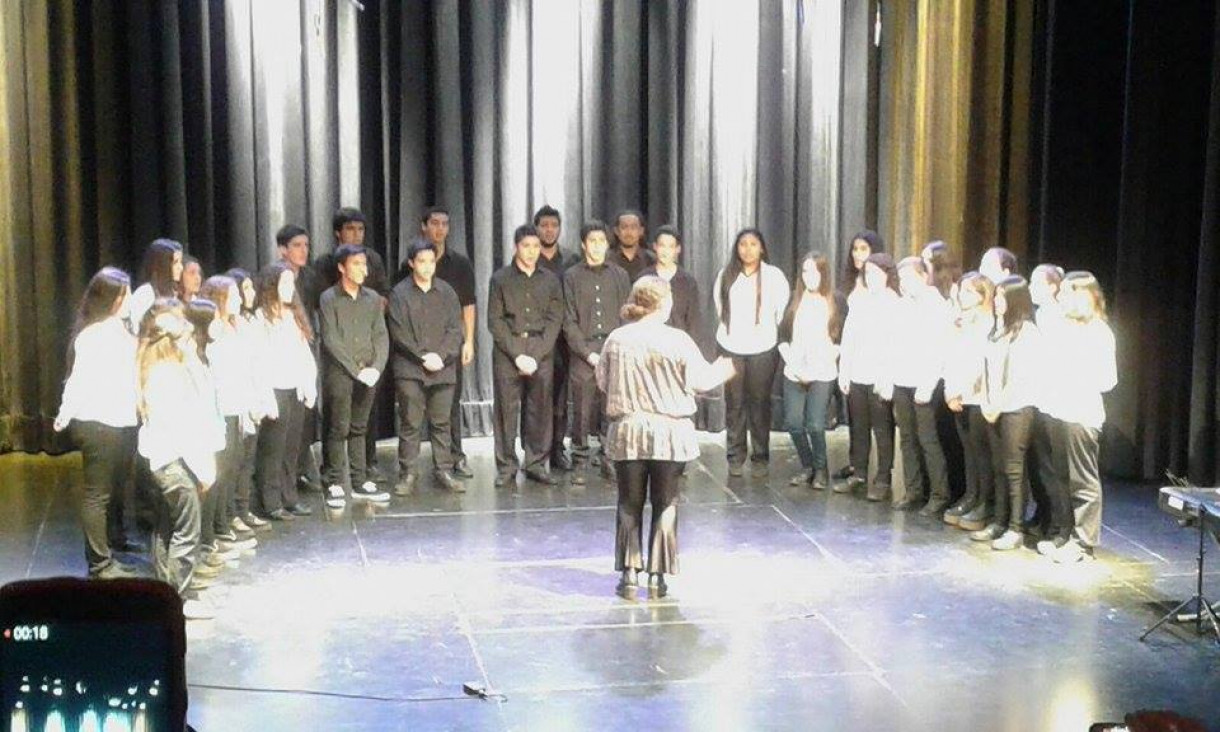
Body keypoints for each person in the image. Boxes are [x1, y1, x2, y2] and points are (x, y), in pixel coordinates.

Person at [596, 277, 736, 599]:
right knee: (665, 502)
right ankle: (657, 577)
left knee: (629, 503)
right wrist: (725, 369)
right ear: (664, 303)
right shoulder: (678, 340)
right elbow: (701, 380)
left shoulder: (616, 339)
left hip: (628, 431)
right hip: (669, 435)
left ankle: (629, 574)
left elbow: (602, 381)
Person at [135, 298, 226, 619]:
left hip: (160, 460)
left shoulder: (152, 369)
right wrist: (204, 472)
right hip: (176, 462)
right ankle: (179, 598)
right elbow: (185, 429)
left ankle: (165, 590)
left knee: (165, 528)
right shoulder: (170, 375)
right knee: (187, 532)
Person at [53, 267, 141, 579]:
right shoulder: (93, 336)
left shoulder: (120, 331)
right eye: (125, 294)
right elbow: (78, 381)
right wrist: (64, 416)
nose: (129, 299)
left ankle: (113, 543)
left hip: (119, 421)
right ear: (112, 299)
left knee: (115, 489)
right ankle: (100, 563)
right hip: (98, 423)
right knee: (97, 494)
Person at [1038, 271, 1117, 563]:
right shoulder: (1062, 328)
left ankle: (1084, 543)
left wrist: (1075, 372)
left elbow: (1108, 381)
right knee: (1061, 477)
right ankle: (1065, 534)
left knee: (1082, 480)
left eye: (1069, 294)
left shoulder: (1099, 332)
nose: (1063, 300)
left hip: (1081, 414)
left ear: (1087, 296)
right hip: (1057, 410)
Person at [487, 224, 565, 487]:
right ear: (516, 247)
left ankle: (535, 463)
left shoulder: (550, 280)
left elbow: (555, 320)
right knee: (506, 411)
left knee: (540, 410)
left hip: (541, 351)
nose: (531, 252)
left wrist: (537, 353)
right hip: (509, 351)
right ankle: (507, 465)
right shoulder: (500, 279)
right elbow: (495, 321)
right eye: (526, 246)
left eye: (535, 247)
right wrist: (517, 355)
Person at [199, 275, 275, 544]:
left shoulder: (238, 325)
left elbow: (250, 364)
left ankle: (231, 515)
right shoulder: (213, 330)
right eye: (231, 296)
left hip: (240, 405)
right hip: (222, 408)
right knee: (222, 469)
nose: (238, 300)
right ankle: (217, 526)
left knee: (237, 465)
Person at [387, 241, 466, 494]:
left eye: (431, 261)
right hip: (411, 369)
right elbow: (399, 333)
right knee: (410, 423)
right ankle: (408, 472)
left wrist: (441, 356)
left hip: (443, 368)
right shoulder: (399, 293)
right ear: (411, 263)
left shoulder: (447, 292)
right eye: (422, 261)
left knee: (442, 423)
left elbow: (455, 329)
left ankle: (443, 469)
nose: (427, 267)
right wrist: (423, 357)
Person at [318, 245, 391, 508]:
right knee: (339, 427)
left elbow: (381, 335)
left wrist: (376, 367)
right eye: (357, 264)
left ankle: (359, 480)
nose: (363, 270)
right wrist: (355, 370)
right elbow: (331, 339)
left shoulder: (372, 298)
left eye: (364, 264)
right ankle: (336, 480)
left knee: (360, 427)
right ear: (342, 267)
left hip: (369, 371)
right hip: (341, 372)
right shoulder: (329, 298)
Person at [975, 276, 1044, 551]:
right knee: (998, 467)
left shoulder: (1027, 332)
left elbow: (1020, 377)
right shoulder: (997, 329)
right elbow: (987, 371)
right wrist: (985, 401)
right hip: (993, 407)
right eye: (997, 297)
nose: (997, 302)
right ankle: (999, 521)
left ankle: (1016, 527)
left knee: (1014, 469)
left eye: (1003, 297)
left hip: (1016, 407)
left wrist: (997, 404)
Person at [713, 228, 790, 479]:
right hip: (730, 345)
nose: (747, 249)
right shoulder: (726, 275)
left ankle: (760, 456)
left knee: (759, 402)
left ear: (762, 248)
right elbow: (719, 307)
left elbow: (781, 311)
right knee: (734, 402)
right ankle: (735, 456)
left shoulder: (774, 276)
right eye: (743, 244)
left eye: (753, 244)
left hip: (762, 347)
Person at [562, 220, 631, 485]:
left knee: (611, 408)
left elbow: (627, 313)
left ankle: (609, 457)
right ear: (583, 245)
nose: (598, 246)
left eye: (602, 241)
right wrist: (587, 353)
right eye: (592, 241)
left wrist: (616, 348)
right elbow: (569, 320)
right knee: (581, 408)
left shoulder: (619, 275)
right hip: (585, 352)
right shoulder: (571, 276)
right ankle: (579, 459)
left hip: (613, 349)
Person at [415, 206, 478, 479]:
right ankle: (417, 463)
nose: (440, 229)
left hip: (451, 344)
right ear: (424, 226)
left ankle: (455, 456)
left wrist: (469, 341)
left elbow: (469, 305)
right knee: (417, 407)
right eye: (435, 223)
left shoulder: (460, 264)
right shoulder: (415, 259)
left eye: (445, 224)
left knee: (451, 402)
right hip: (420, 345)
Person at [889, 256, 954, 515]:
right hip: (902, 379)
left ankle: (939, 494)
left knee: (928, 440)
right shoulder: (902, 306)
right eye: (901, 279)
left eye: (909, 278)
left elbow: (940, 349)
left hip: (924, 381)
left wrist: (928, 384)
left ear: (922, 277)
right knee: (906, 438)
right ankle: (913, 490)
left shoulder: (936, 305)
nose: (904, 284)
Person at [253, 263, 318, 521]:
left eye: (292, 284)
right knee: (273, 449)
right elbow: (258, 359)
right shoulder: (262, 318)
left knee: (292, 447)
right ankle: (270, 502)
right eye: (284, 283)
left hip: (294, 387)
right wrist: (265, 394)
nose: (290, 288)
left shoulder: (293, 315)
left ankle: (289, 497)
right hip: (274, 388)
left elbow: (303, 354)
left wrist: (308, 384)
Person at [777, 252, 845, 490]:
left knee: (815, 424)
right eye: (805, 271)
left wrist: (819, 366)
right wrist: (795, 367)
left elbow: (840, 342)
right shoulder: (795, 300)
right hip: (795, 371)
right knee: (794, 423)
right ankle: (808, 466)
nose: (809, 277)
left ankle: (821, 468)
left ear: (824, 273)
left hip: (823, 371)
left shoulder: (835, 300)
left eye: (815, 271)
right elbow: (783, 338)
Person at [836, 252, 900, 501]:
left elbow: (895, 346)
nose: (871, 278)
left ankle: (883, 477)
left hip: (880, 376)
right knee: (859, 428)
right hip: (858, 374)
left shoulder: (895, 304)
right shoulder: (859, 301)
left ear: (887, 275)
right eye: (868, 274)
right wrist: (845, 372)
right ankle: (859, 473)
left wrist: (887, 379)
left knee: (882, 429)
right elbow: (849, 338)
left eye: (876, 273)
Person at [942, 273, 997, 530]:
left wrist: (960, 391)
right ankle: (971, 495)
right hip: (957, 395)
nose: (962, 296)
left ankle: (985, 502)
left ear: (982, 296)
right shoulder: (959, 323)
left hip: (975, 397)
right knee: (968, 452)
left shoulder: (988, 323)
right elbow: (951, 358)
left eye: (969, 291)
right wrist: (949, 391)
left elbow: (979, 364)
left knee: (980, 453)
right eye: (961, 290)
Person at [276, 224, 327, 494]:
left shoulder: (310, 277)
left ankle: (303, 468)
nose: (303, 251)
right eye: (297, 245)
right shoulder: (275, 276)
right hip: (283, 351)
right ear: (282, 249)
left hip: (307, 347)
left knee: (307, 413)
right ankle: (285, 478)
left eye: (306, 245)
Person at [223, 268, 274, 533]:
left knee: (246, 461)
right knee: (232, 463)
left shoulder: (246, 322)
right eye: (244, 290)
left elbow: (257, 364)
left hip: (250, 399)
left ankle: (243, 510)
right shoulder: (222, 327)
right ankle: (230, 515)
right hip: (233, 403)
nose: (250, 294)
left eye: (252, 288)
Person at [832, 230, 885, 479]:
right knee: (856, 418)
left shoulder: (884, 288)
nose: (858, 254)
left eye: (864, 249)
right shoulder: (848, 283)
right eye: (855, 249)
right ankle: (857, 465)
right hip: (851, 357)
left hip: (876, 361)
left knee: (880, 422)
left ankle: (883, 473)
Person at [534, 205, 576, 469]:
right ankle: (536, 451)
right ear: (536, 227)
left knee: (560, 397)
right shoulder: (529, 256)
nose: (549, 230)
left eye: (554, 225)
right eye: (544, 225)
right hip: (537, 338)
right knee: (537, 397)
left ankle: (558, 448)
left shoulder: (571, 259)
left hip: (564, 339)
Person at [128, 239, 184, 333]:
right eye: (175, 263)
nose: (181, 267)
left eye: (181, 262)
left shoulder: (175, 292)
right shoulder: (145, 294)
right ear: (162, 265)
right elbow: (136, 330)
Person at [607, 210, 655, 282]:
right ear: (616, 231)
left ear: (641, 231)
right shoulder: (607, 258)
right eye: (624, 227)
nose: (629, 232)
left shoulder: (651, 259)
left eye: (633, 227)